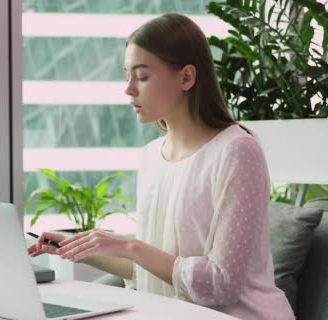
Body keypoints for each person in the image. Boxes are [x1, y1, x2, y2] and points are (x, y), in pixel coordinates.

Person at [28, 13, 294, 320]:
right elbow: (150, 268)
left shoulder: (238, 151)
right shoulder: (152, 155)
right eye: (126, 75)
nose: (129, 89)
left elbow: (221, 285)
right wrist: (82, 248)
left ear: (186, 78)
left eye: (141, 76)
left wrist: (131, 246)